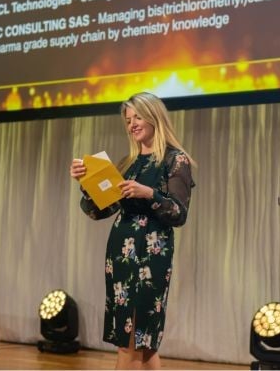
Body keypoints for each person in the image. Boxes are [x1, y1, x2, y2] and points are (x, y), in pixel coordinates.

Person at [70, 92, 195, 370]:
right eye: (128, 120)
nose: (132, 124)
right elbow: (97, 210)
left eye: (137, 117)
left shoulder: (176, 160)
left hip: (150, 256)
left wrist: (149, 193)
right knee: (143, 345)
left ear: (154, 116)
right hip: (121, 254)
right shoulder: (128, 163)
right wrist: (86, 182)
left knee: (134, 335)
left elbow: (179, 213)